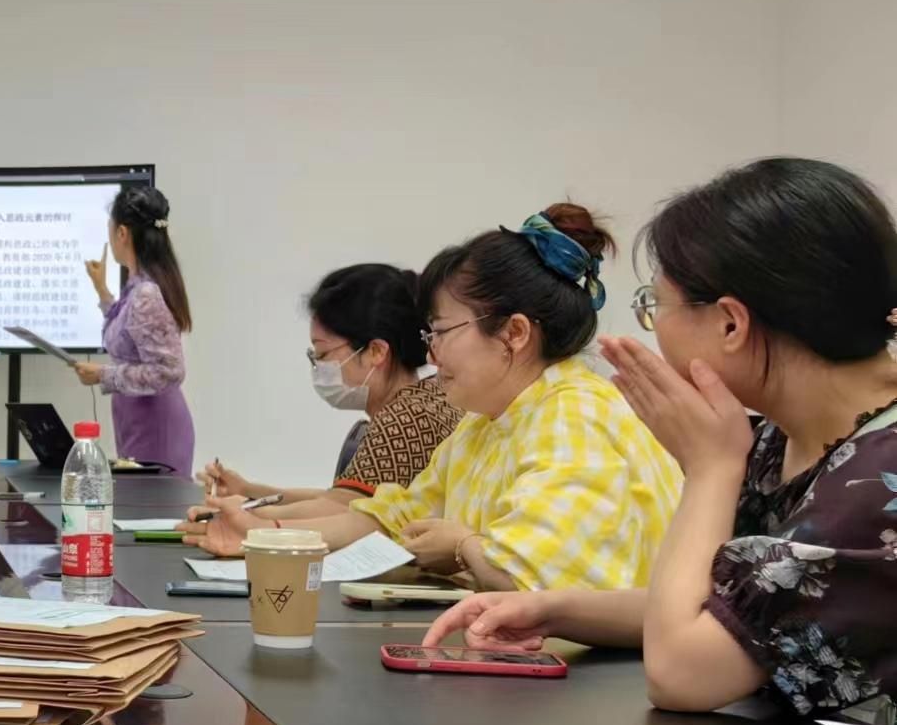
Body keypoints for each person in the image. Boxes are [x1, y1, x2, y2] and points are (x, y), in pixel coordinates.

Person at [426, 159, 897, 723]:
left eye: (654, 306)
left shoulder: (881, 475)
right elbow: (724, 614)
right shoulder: (781, 439)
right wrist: (552, 609)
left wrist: (710, 468)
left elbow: (683, 674)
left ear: (730, 324)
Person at [185, 203, 680, 593]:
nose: (430, 351)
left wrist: (464, 548)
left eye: (440, 331)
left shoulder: (573, 417)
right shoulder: (483, 423)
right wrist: (264, 536)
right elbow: (389, 519)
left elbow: (533, 579)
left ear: (513, 333)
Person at [181, 264, 462, 555]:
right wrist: (249, 492)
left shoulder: (407, 418)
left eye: (323, 353)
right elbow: (343, 497)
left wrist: (253, 517)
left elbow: (342, 508)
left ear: (376, 351)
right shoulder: (422, 400)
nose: (318, 366)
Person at [76, 186, 195, 477]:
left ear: (122, 233)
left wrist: (104, 375)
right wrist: (102, 290)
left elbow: (169, 371)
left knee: (151, 505)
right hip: (140, 419)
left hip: (154, 425)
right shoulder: (140, 285)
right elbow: (127, 331)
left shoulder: (146, 293)